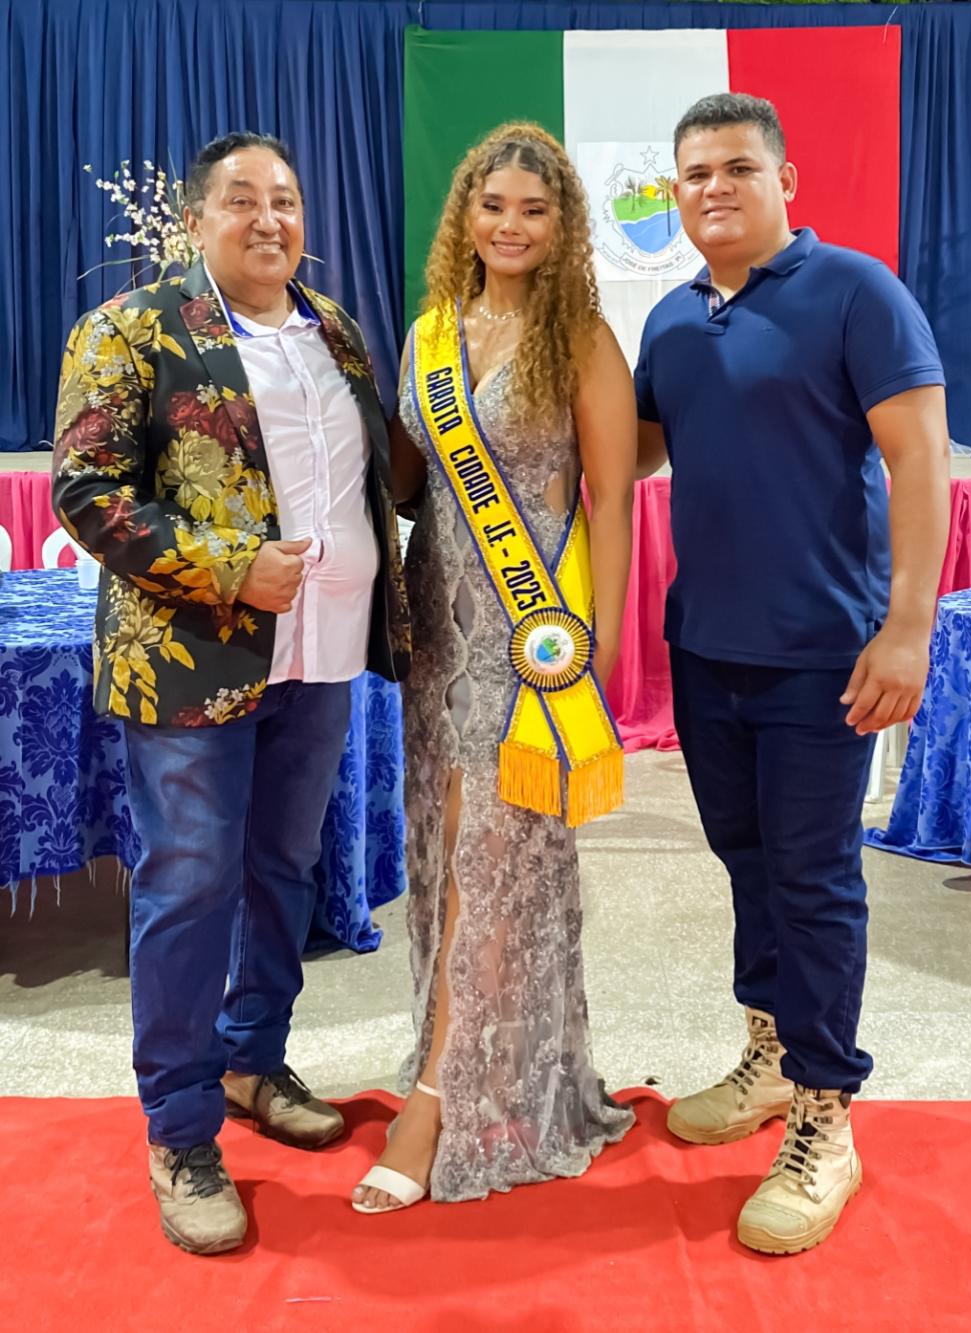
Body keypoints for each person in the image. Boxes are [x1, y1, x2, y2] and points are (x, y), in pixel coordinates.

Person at [52, 131, 410, 1255]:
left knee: (283, 869)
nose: (269, 219)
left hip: (324, 650)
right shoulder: (132, 328)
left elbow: (373, 476)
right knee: (191, 883)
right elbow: (87, 490)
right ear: (197, 219)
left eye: (286, 200)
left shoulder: (333, 328)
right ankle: (180, 1128)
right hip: (191, 658)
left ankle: (254, 1061)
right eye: (243, 200)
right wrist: (229, 566)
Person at [635, 94, 950, 1254]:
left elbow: (921, 457)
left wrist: (906, 628)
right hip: (705, 648)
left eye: (736, 167)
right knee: (749, 862)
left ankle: (826, 1113)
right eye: (694, 173)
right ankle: (770, 1056)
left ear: (785, 181)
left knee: (815, 880)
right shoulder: (672, 318)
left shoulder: (858, 291)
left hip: (826, 655)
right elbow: (631, 451)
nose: (713, 187)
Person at [351, 122, 637, 1212]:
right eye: (494, 205)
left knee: (492, 857)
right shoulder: (430, 333)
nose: (511, 225)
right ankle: (485, 1065)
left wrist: (594, 653)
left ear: (562, 227)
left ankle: (434, 1098)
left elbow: (614, 502)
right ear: (464, 216)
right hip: (441, 633)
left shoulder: (585, 342)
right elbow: (411, 481)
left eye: (535, 209)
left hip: (533, 639)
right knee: (447, 853)